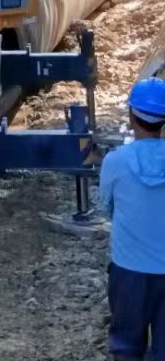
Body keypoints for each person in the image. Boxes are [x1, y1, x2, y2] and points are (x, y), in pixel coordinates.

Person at [99, 77, 165, 360]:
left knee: (126, 346)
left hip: (129, 271)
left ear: (131, 117)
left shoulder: (115, 161)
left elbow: (106, 209)